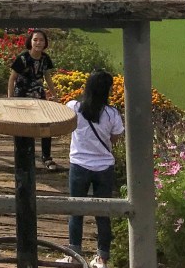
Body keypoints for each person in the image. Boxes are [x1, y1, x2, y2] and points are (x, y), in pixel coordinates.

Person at [67, 71, 124, 268]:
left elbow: (65, 126)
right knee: (103, 213)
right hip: (104, 167)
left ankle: (74, 254)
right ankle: (102, 258)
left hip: (79, 164)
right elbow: (115, 138)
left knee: (76, 211)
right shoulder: (112, 114)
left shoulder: (74, 107)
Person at [7, 30, 60, 171]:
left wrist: (54, 95)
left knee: (45, 125)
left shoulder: (45, 59)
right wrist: (10, 99)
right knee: (22, 127)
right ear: (30, 41)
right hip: (22, 97)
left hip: (39, 96)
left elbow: (47, 77)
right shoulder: (22, 58)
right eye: (35, 40)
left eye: (41, 40)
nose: (38, 43)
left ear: (45, 43)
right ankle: (22, 155)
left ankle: (46, 156)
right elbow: (12, 79)